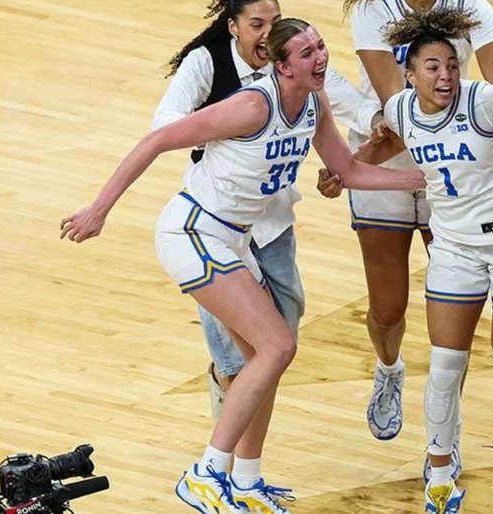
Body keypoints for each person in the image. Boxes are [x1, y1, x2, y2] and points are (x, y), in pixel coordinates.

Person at [60, 19, 426, 514]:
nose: (319, 58)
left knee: (265, 358)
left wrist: (431, 181)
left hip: (233, 241)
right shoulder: (252, 105)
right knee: (278, 345)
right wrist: (98, 210)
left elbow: (350, 171)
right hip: (192, 233)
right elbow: (155, 141)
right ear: (280, 66)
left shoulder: (314, 103)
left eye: (320, 46)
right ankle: (206, 473)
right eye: (305, 53)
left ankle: (248, 481)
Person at [335, 8, 493, 513]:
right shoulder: (402, 110)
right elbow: (386, 144)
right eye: (433, 66)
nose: (445, 75)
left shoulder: (486, 101)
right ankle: (441, 474)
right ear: (409, 73)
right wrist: (344, 172)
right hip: (455, 249)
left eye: (452, 64)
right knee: (446, 366)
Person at [157, 0, 373, 423]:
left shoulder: (295, 68)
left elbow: (348, 100)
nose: (267, 33)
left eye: (274, 23)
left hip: (272, 223)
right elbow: (163, 124)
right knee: (243, 359)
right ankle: (222, 465)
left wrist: (381, 120)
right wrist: (222, 132)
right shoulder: (207, 63)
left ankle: (243, 474)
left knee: (278, 346)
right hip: (214, 224)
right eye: (257, 24)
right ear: (233, 26)